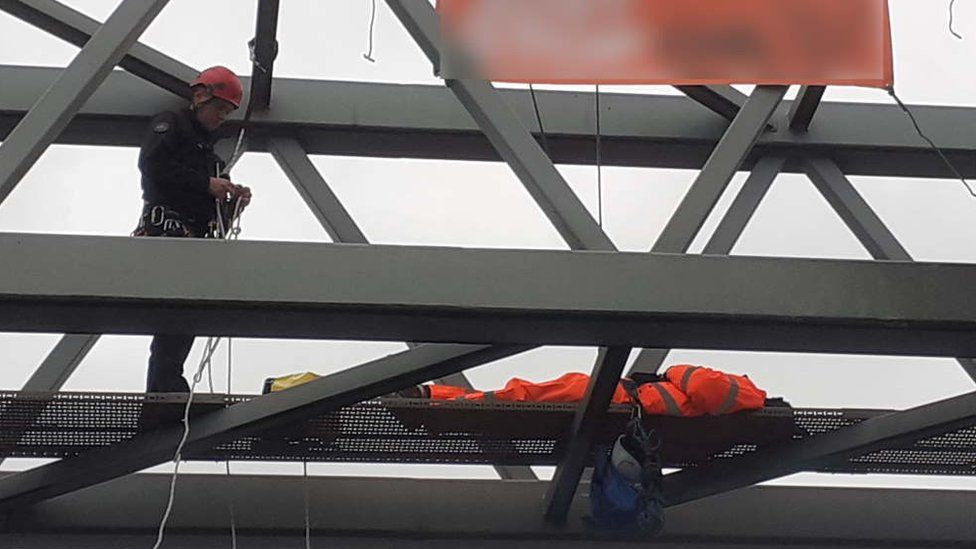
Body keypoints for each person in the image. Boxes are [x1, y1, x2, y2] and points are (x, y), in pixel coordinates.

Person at [134, 66, 252, 393]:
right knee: (174, 314)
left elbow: (211, 215)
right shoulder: (171, 125)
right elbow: (152, 164)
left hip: (192, 238)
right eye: (219, 109)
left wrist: (231, 205)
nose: (221, 118)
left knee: (183, 318)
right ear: (200, 97)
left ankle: (167, 387)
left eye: (227, 113)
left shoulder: (210, 159)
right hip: (167, 232)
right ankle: (164, 387)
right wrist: (206, 183)